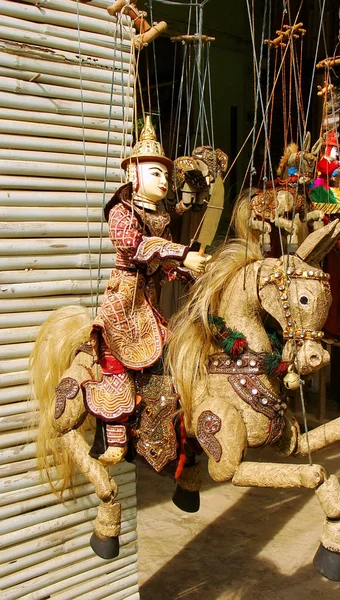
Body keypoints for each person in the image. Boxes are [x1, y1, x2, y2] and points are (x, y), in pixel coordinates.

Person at [82, 116, 209, 465]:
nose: (164, 180)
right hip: (124, 297)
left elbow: (163, 259)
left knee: (165, 357)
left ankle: (159, 429)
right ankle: (115, 435)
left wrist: (190, 271)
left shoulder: (162, 217)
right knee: (116, 355)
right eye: (156, 173)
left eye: (166, 175)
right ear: (132, 175)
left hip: (148, 300)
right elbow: (135, 247)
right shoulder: (120, 211)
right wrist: (181, 253)